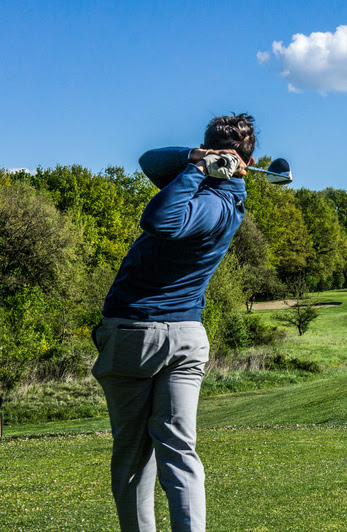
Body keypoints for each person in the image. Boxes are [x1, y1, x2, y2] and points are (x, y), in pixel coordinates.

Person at [92, 113, 256, 531]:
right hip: (185, 337)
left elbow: (159, 220)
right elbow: (149, 160)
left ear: (239, 163)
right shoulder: (215, 192)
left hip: (137, 334)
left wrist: (197, 169)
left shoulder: (212, 204)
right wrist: (193, 157)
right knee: (180, 450)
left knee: (134, 455)